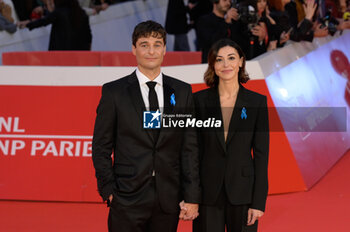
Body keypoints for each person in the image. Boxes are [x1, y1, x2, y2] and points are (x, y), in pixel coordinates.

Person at [92, 20, 201, 232]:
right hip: (126, 196)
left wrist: (191, 196)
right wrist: (108, 190)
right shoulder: (114, 92)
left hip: (168, 197)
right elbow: (101, 146)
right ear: (134, 49)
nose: (151, 51)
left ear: (165, 49)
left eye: (157, 44)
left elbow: (190, 148)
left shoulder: (182, 92)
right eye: (144, 44)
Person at [193, 38, 269, 232]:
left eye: (231, 58)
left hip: (244, 193)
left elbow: (261, 155)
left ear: (241, 62)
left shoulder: (256, 102)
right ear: (212, 65)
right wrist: (190, 195)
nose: (226, 64)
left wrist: (258, 202)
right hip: (207, 194)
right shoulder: (198, 101)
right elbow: (191, 152)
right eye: (219, 60)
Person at [18, 0, 92, 50]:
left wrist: (28, 24)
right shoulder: (82, 13)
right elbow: (88, 36)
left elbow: (43, 21)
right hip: (79, 51)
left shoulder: (59, 12)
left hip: (60, 52)